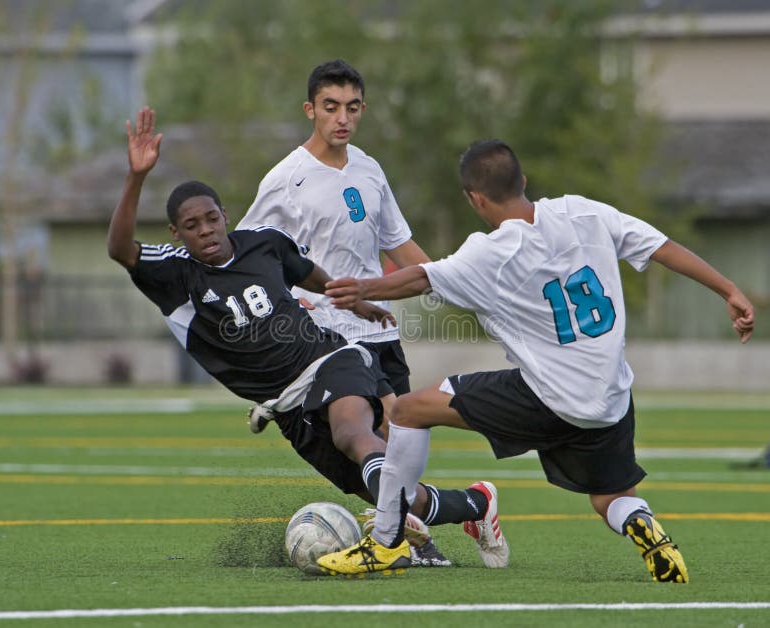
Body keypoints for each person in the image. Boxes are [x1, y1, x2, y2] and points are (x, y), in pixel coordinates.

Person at [317, 139, 755, 580]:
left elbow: (421, 278)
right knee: (611, 498)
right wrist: (729, 290)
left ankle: (385, 542)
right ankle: (640, 521)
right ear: (523, 181)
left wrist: (363, 289)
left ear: (475, 198)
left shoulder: (490, 253)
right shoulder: (584, 213)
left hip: (545, 399)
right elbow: (662, 246)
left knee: (409, 412)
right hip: (610, 399)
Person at [107, 107, 500, 569]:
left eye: (211, 219)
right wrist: (136, 177)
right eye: (191, 227)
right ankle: (477, 505)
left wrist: (353, 301)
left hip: (329, 358)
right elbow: (120, 249)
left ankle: (387, 545)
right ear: (177, 233)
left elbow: (308, 273)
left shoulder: (263, 242)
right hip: (288, 406)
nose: (205, 231)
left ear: (223, 216)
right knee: (394, 493)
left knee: (354, 433)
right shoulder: (177, 275)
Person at [238, 59, 429, 403]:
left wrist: (449, 279)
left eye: (352, 108)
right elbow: (248, 257)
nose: (343, 118)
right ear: (310, 110)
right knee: (380, 425)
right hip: (327, 334)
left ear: (362, 109)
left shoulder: (369, 167)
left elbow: (398, 244)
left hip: (380, 329)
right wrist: (289, 300)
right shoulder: (285, 178)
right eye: (331, 107)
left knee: (403, 438)